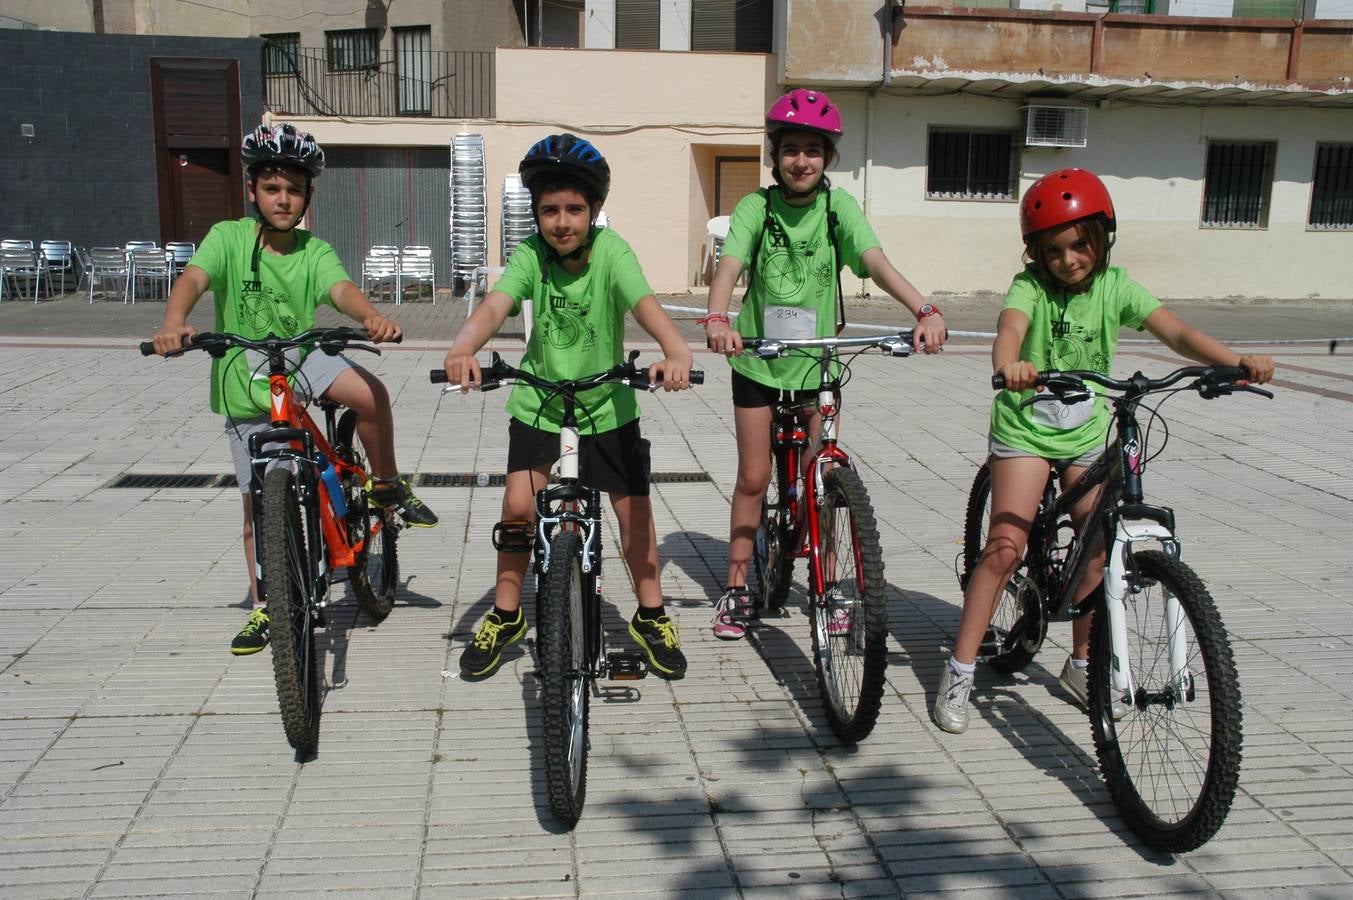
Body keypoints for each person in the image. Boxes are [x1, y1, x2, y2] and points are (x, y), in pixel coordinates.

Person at [932, 167, 1275, 734]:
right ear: (1036, 255)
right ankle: (960, 669)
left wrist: (1232, 361)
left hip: (1085, 432)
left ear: (1102, 237)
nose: (1069, 260)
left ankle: (1082, 665)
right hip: (1026, 427)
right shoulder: (1030, 289)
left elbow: (1176, 332)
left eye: (1080, 245)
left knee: (1099, 542)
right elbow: (1010, 333)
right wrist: (1008, 366)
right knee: (1006, 547)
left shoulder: (1117, 288)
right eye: (1053, 251)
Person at [150, 122, 439, 656]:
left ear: (309, 195)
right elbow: (193, 278)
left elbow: (341, 288)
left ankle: (386, 484)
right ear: (252, 191)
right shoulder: (229, 238)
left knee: (371, 394)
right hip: (246, 382)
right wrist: (174, 321)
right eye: (272, 188)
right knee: (257, 507)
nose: (283, 199)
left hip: (303, 361)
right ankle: (266, 607)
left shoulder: (313, 249)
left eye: (294, 189)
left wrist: (371, 315)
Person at [442, 133, 695, 680]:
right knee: (516, 505)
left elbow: (642, 301)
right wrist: (465, 347)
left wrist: (675, 348)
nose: (562, 222)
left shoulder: (612, 251)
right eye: (550, 210)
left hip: (607, 404)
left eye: (575, 210)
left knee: (634, 514)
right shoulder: (531, 255)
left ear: (595, 210)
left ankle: (651, 615)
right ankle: (507, 613)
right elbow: (496, 304)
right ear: (535, 213)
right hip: (540, 400)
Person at [702, 88, 948, 639]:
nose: (801, 161)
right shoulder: (755, 208)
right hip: (759, 362)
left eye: (813, 150)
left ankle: (831, 582)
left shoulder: (839, 208)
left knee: (826, 476)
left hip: (819, 365)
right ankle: (737, 587)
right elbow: (731, 264)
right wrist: (718, 318)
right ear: (775, 156)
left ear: (827, 158)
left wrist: (924, 309)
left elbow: (875, 262)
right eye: (791, 149)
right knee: (753, 476)